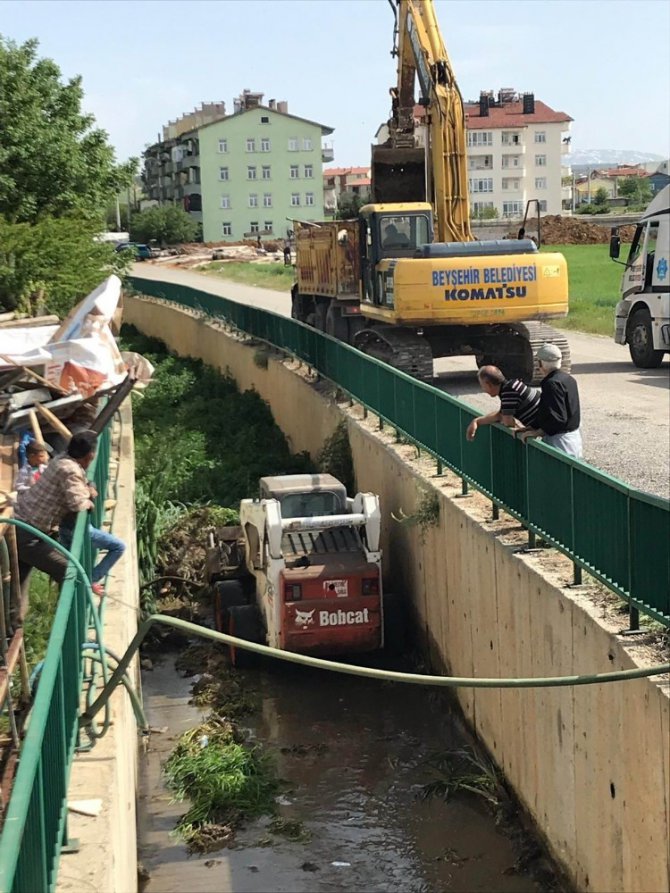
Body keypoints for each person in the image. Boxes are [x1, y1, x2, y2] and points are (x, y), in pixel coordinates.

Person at [14, 430, 99, 604]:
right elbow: (79, 504)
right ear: (90, 456)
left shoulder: (61, 458)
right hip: (28, 535)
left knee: (19, 582)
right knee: (70, 571)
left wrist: (85, 488)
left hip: (22, 525)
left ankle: (15, 626)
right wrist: (91, 497)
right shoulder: (70, 470)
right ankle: (69, 624)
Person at [517, 343, 582, 457]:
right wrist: (534, 426)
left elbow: (557, 419)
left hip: (560, 442)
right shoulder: (569, 379)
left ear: (540, 363)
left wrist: (538, 432)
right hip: (574, 438)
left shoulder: (551, 384)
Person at [466, 366, 541, 441]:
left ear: (489, 385)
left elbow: (507, 421)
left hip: (549, 429)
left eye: (483, 386)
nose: (483, 390)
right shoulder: (510, 386)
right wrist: (477, 421)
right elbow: (500, 415)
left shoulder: (509, 391)